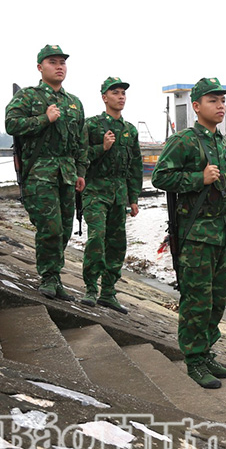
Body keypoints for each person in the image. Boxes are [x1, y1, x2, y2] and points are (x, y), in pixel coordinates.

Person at [151, 78, 226, 389]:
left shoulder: (221, 142)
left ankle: (206, 352)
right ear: (197, 106)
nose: (220, 106)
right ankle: (194, 360)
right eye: (213, 101)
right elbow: (160, 177)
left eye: (223, 101)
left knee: (216, 300)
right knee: (197, 301)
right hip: (197, 235)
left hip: (222, 232)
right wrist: (197, 178)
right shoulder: (185, 141)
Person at [4, 45, 87, 301]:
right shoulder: (28, 97)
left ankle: (55, 276)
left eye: (62, 62)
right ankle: (48, 278)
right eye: (53, 62)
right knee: (50, 228)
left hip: (67, 174)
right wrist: (44, 119)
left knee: (64, 229)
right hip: (39, 172)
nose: (59, 67)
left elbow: (81, 142)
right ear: (40, 67)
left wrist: (81, 172)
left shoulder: (74, 103)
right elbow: (11, 124)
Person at [80, 77, 142, 313]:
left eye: (123, 93)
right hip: (95, 190)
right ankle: (90, 289)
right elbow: (79, 156)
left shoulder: (130, 130)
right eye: (115, 93)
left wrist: (133, 198)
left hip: (119, 194)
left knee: (117, 244)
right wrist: (102, 148)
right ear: (104, 97)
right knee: (97, 237)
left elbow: (135, 166)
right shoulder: (92, 125)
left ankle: (108, 292)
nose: (121, 97)